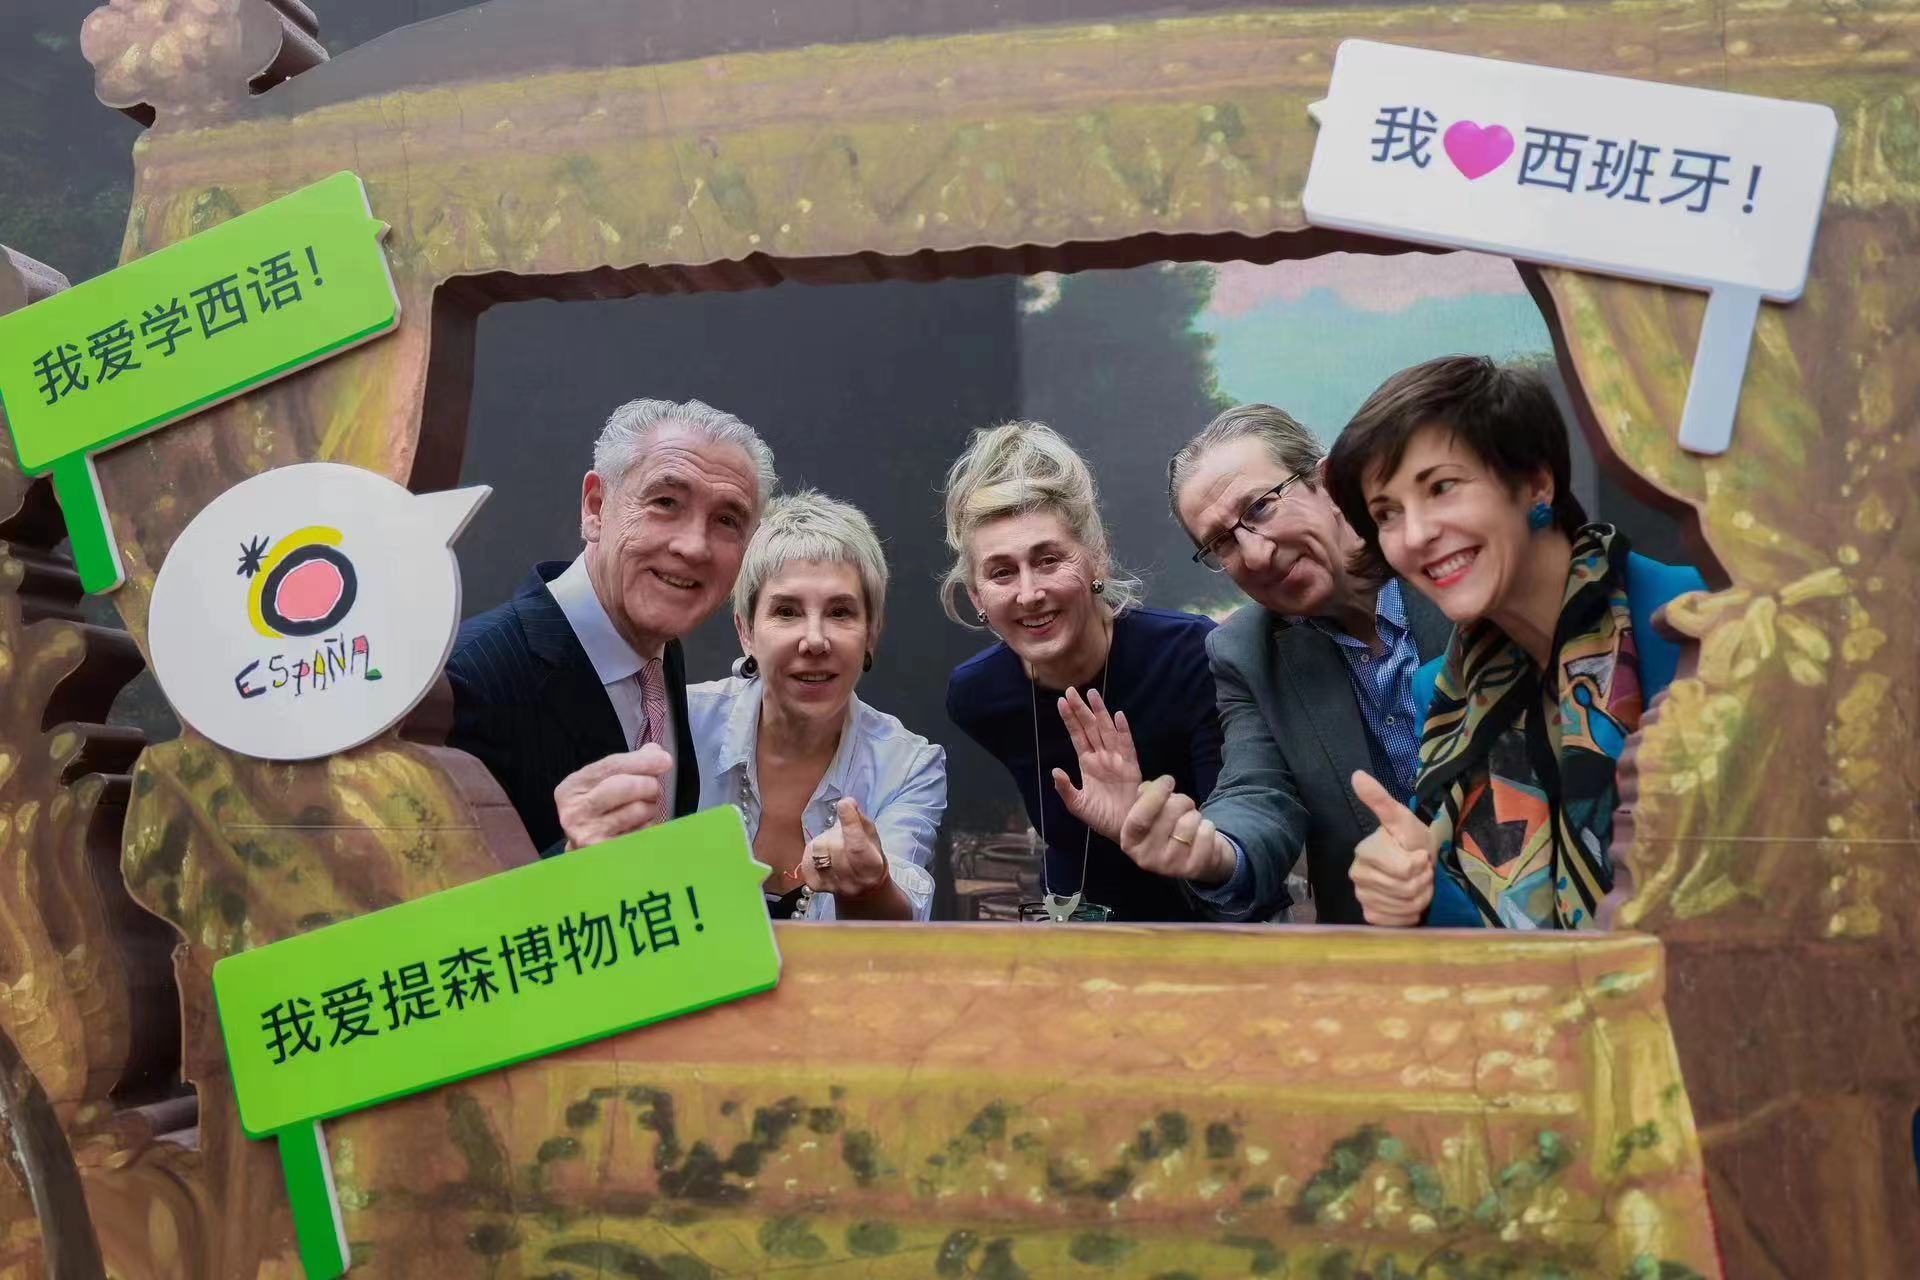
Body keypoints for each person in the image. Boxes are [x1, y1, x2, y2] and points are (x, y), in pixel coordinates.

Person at [1324, 355, 1705, 930]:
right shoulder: (1443, 698)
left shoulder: (1697, 618)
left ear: (1535, 483)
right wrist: (1414, 889)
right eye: (1387, 513)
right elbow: (1484, 941)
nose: (1416, 534)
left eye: (1442, 487)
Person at [1116, 404, 1454, 925]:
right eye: (1222, 542)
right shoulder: (1245, 651)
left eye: (1259, 508)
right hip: (1381, 950)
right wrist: (1213, 852)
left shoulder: (1449, 566)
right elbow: (1256, 790)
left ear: (1328, 484)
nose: (1254, 556)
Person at [447, 397, 776, 855]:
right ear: (596, 507)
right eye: (666, 502)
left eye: (726, 520)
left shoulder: (659, 652)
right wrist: (571, 861)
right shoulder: (465, 681)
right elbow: (419, 892)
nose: (694, 547)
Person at [942, 421, 1222, 923]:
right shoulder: (978, 696)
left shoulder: (1190, 655)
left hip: (1204, 935)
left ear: (1097, 560)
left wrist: (1144, 823)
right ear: (977, 597)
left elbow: (1242, 853)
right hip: (1072, 937)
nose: (1029, 594)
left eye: (1049, 560)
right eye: (1002, 572)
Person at [688, 491, 945, 921]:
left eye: (840, 612)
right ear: (746, 631)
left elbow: (896, 933)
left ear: (871, 634)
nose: (814, 640)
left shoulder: (907, 766)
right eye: (787, 612)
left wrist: (871, 885)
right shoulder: (680, 724)